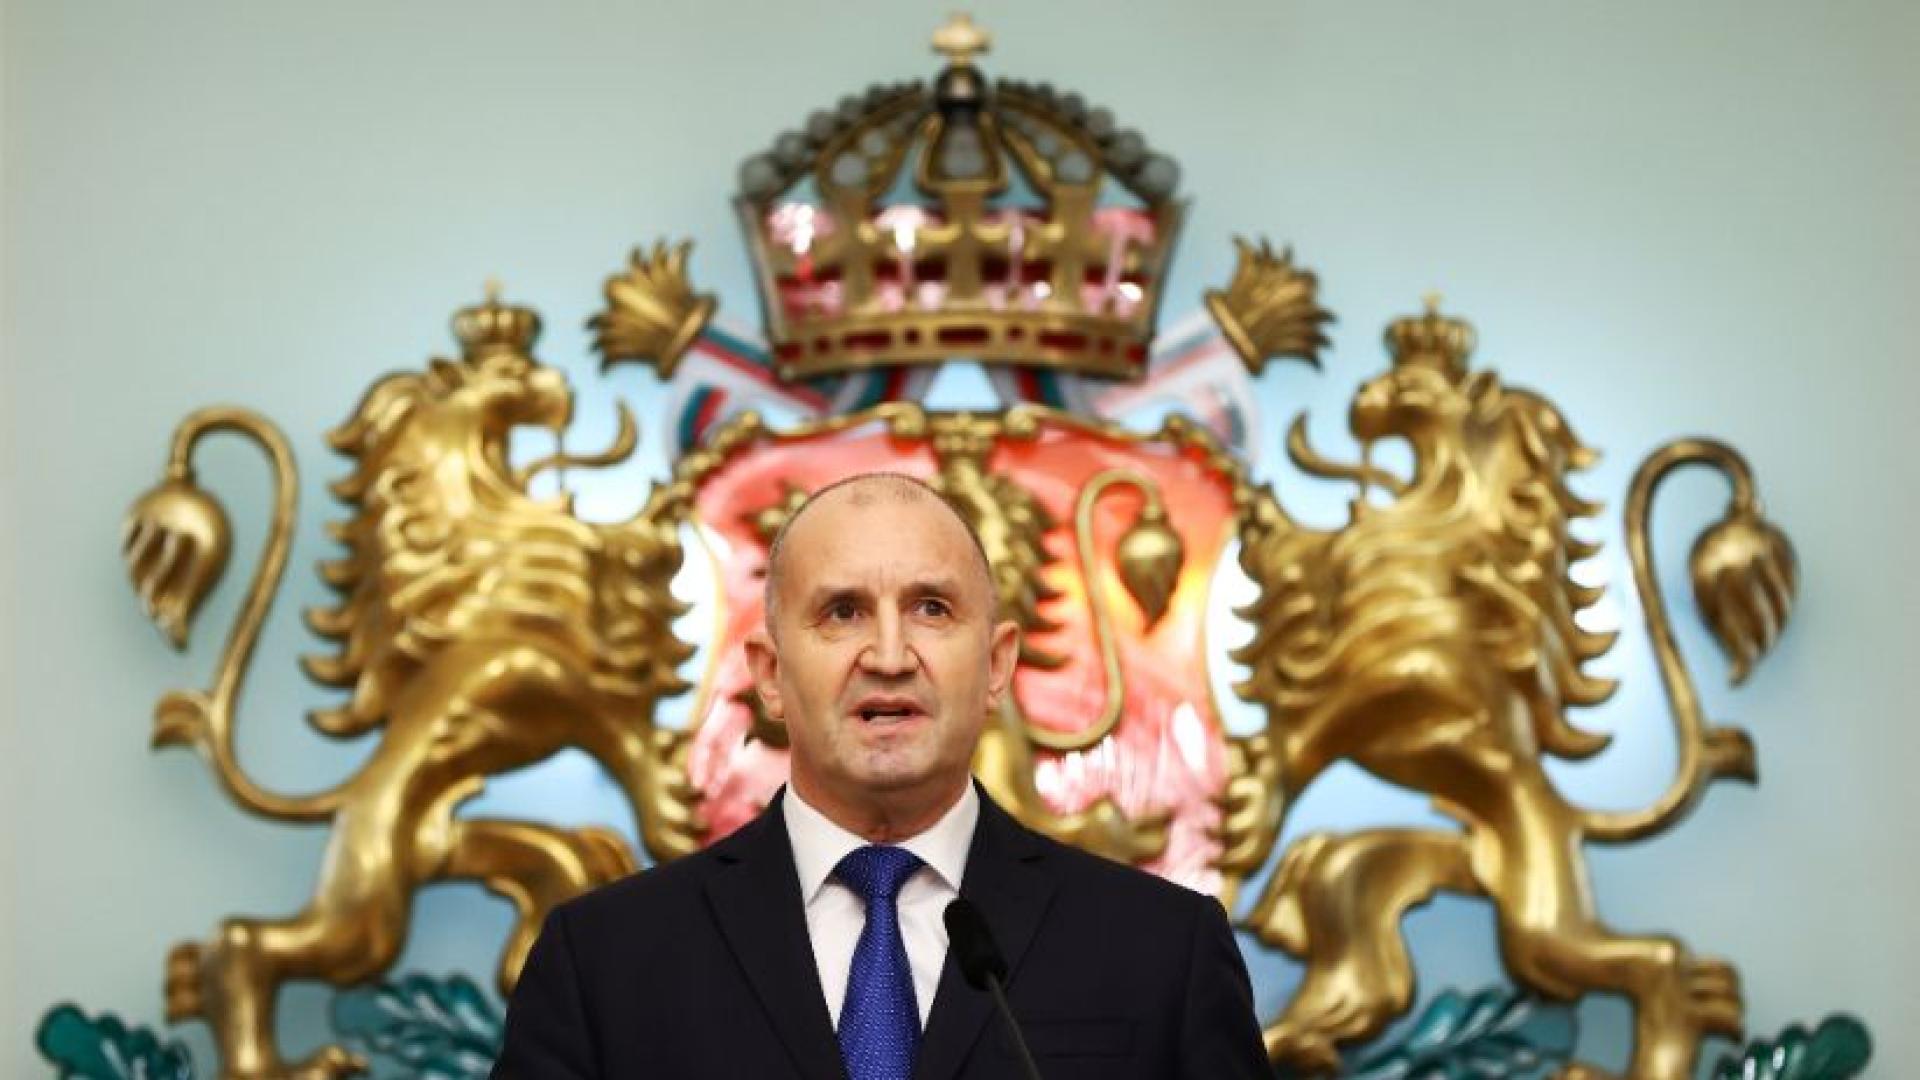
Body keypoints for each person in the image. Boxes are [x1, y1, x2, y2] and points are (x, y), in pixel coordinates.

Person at [493, 472, 1271, 1079]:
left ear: (998, 665)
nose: (891, 656)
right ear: (768, 673)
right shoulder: (603, 961)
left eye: (932, 609)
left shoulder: (1163, 951)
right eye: (843, 612)